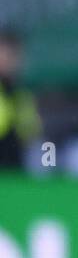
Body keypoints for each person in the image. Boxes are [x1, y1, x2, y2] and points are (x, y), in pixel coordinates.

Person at [0, 29, 41, 171]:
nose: (6, 60)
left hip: (16, 164)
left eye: (12, 55)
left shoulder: (22, 93)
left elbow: (31, 132)